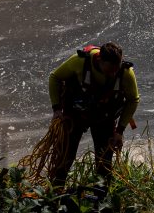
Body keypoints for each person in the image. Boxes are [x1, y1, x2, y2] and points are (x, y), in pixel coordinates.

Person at [47, 42, 140, 189]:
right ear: (99, 60)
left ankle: (101, 199)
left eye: (116, 69)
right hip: (75, 115)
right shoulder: (79, 61)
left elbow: (133, 100)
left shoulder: (126, 72)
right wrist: (57, 109)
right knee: (64, 158)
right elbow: (54, 77)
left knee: (105, 163)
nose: (114, 73)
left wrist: (119, 131)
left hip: (105, 118)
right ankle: (55, 193)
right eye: (110, 70)